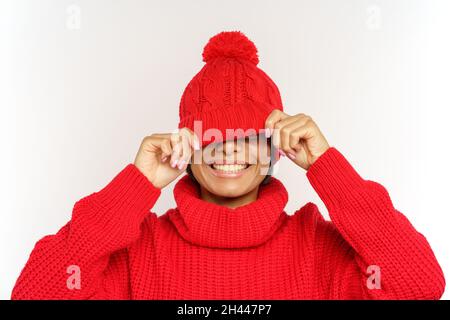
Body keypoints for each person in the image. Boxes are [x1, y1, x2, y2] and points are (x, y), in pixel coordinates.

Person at [12, 31, 445, 300]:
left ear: (276, 147)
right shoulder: (139, 252)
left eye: (249, 138)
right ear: (186, 146)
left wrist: (328, 171)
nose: (228, 152)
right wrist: (135, 187)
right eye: (211, 137)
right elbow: (37, 295)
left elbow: (418, 284)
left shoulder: (317, 247)